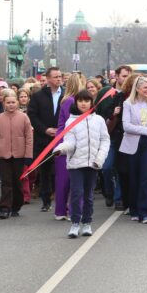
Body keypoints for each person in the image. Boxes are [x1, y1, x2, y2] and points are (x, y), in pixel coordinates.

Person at [54, 89, 110, 237]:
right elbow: (70, 142)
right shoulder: (70, 121)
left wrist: (100, 158)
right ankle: (75, 223)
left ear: (91, 102)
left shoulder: (99, 120)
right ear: (76, 102)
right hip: (76, 164)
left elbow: (105, 140)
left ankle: (87, 223)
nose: (83, 104)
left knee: (88, 195)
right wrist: (60, 148)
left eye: (86, 101)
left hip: (93, 164)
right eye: (80, 101)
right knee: (76, 193)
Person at [119, 76, 147, 224]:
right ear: (137, 89)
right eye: (145, 88)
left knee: (146, 178)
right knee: (134, 178)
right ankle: (134, 209)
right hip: (132, 145)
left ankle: (146, 213)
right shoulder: (128, 104)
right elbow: (126, 126)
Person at [0, 89, 33, 219]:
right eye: (8, 102)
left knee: (17, 182)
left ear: (18, 102)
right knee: (6, 182)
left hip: (19, 155)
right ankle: (4, 207)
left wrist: (28, 155)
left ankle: (16, 205)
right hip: (3, 155)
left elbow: (29, 137)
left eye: (13, 102)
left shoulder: (24, 117)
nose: (11, 105)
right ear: (3, 103)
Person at [27, 67, 64, 212]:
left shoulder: (67, 94)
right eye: (55, 77)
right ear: (48, 79)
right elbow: (32, 115)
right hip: (43, 138)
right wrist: (45, 130)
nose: (59, 79)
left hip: (62, 138)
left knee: (61, 169)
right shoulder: (38, 96)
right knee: (45, 170)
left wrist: (61, 131)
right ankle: (46, 200)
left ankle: (62, 199)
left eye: (60, 76)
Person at [95, 65, 132, 209]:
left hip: (125, 136)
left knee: (121, 169)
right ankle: (108, 192)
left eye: (128, 76)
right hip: (108, 136)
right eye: (123, 76)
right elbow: (97, 112)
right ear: (116, 77)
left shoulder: (131, 93)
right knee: (107, 167)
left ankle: (118, 198)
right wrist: (111, 114)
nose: (126, 79)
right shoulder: (105, 92)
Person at [53, 73, 86, 221]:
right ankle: (63, 210)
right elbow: (73, 122)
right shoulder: (70, 102)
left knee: (74, 179)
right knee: (65, 179)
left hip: (72, 141)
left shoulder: (70, 100)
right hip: (65, 142)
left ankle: (72, 209)